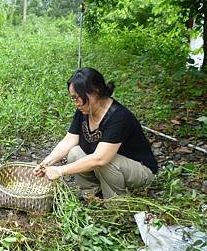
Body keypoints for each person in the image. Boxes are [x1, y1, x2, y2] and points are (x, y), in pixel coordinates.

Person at [34, 67, 158, 199]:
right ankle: (93, 196)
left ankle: (115, 204)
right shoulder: (84, 110)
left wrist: (60, 171)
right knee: (75, 152)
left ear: (94, 92)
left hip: (140, 170)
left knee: (105, 162)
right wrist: (45, 164)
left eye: (77, 98)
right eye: (73, 99)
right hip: (109, 167)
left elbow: (100, 158)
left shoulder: (119, 117)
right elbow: (68, 141)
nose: (75, 103)